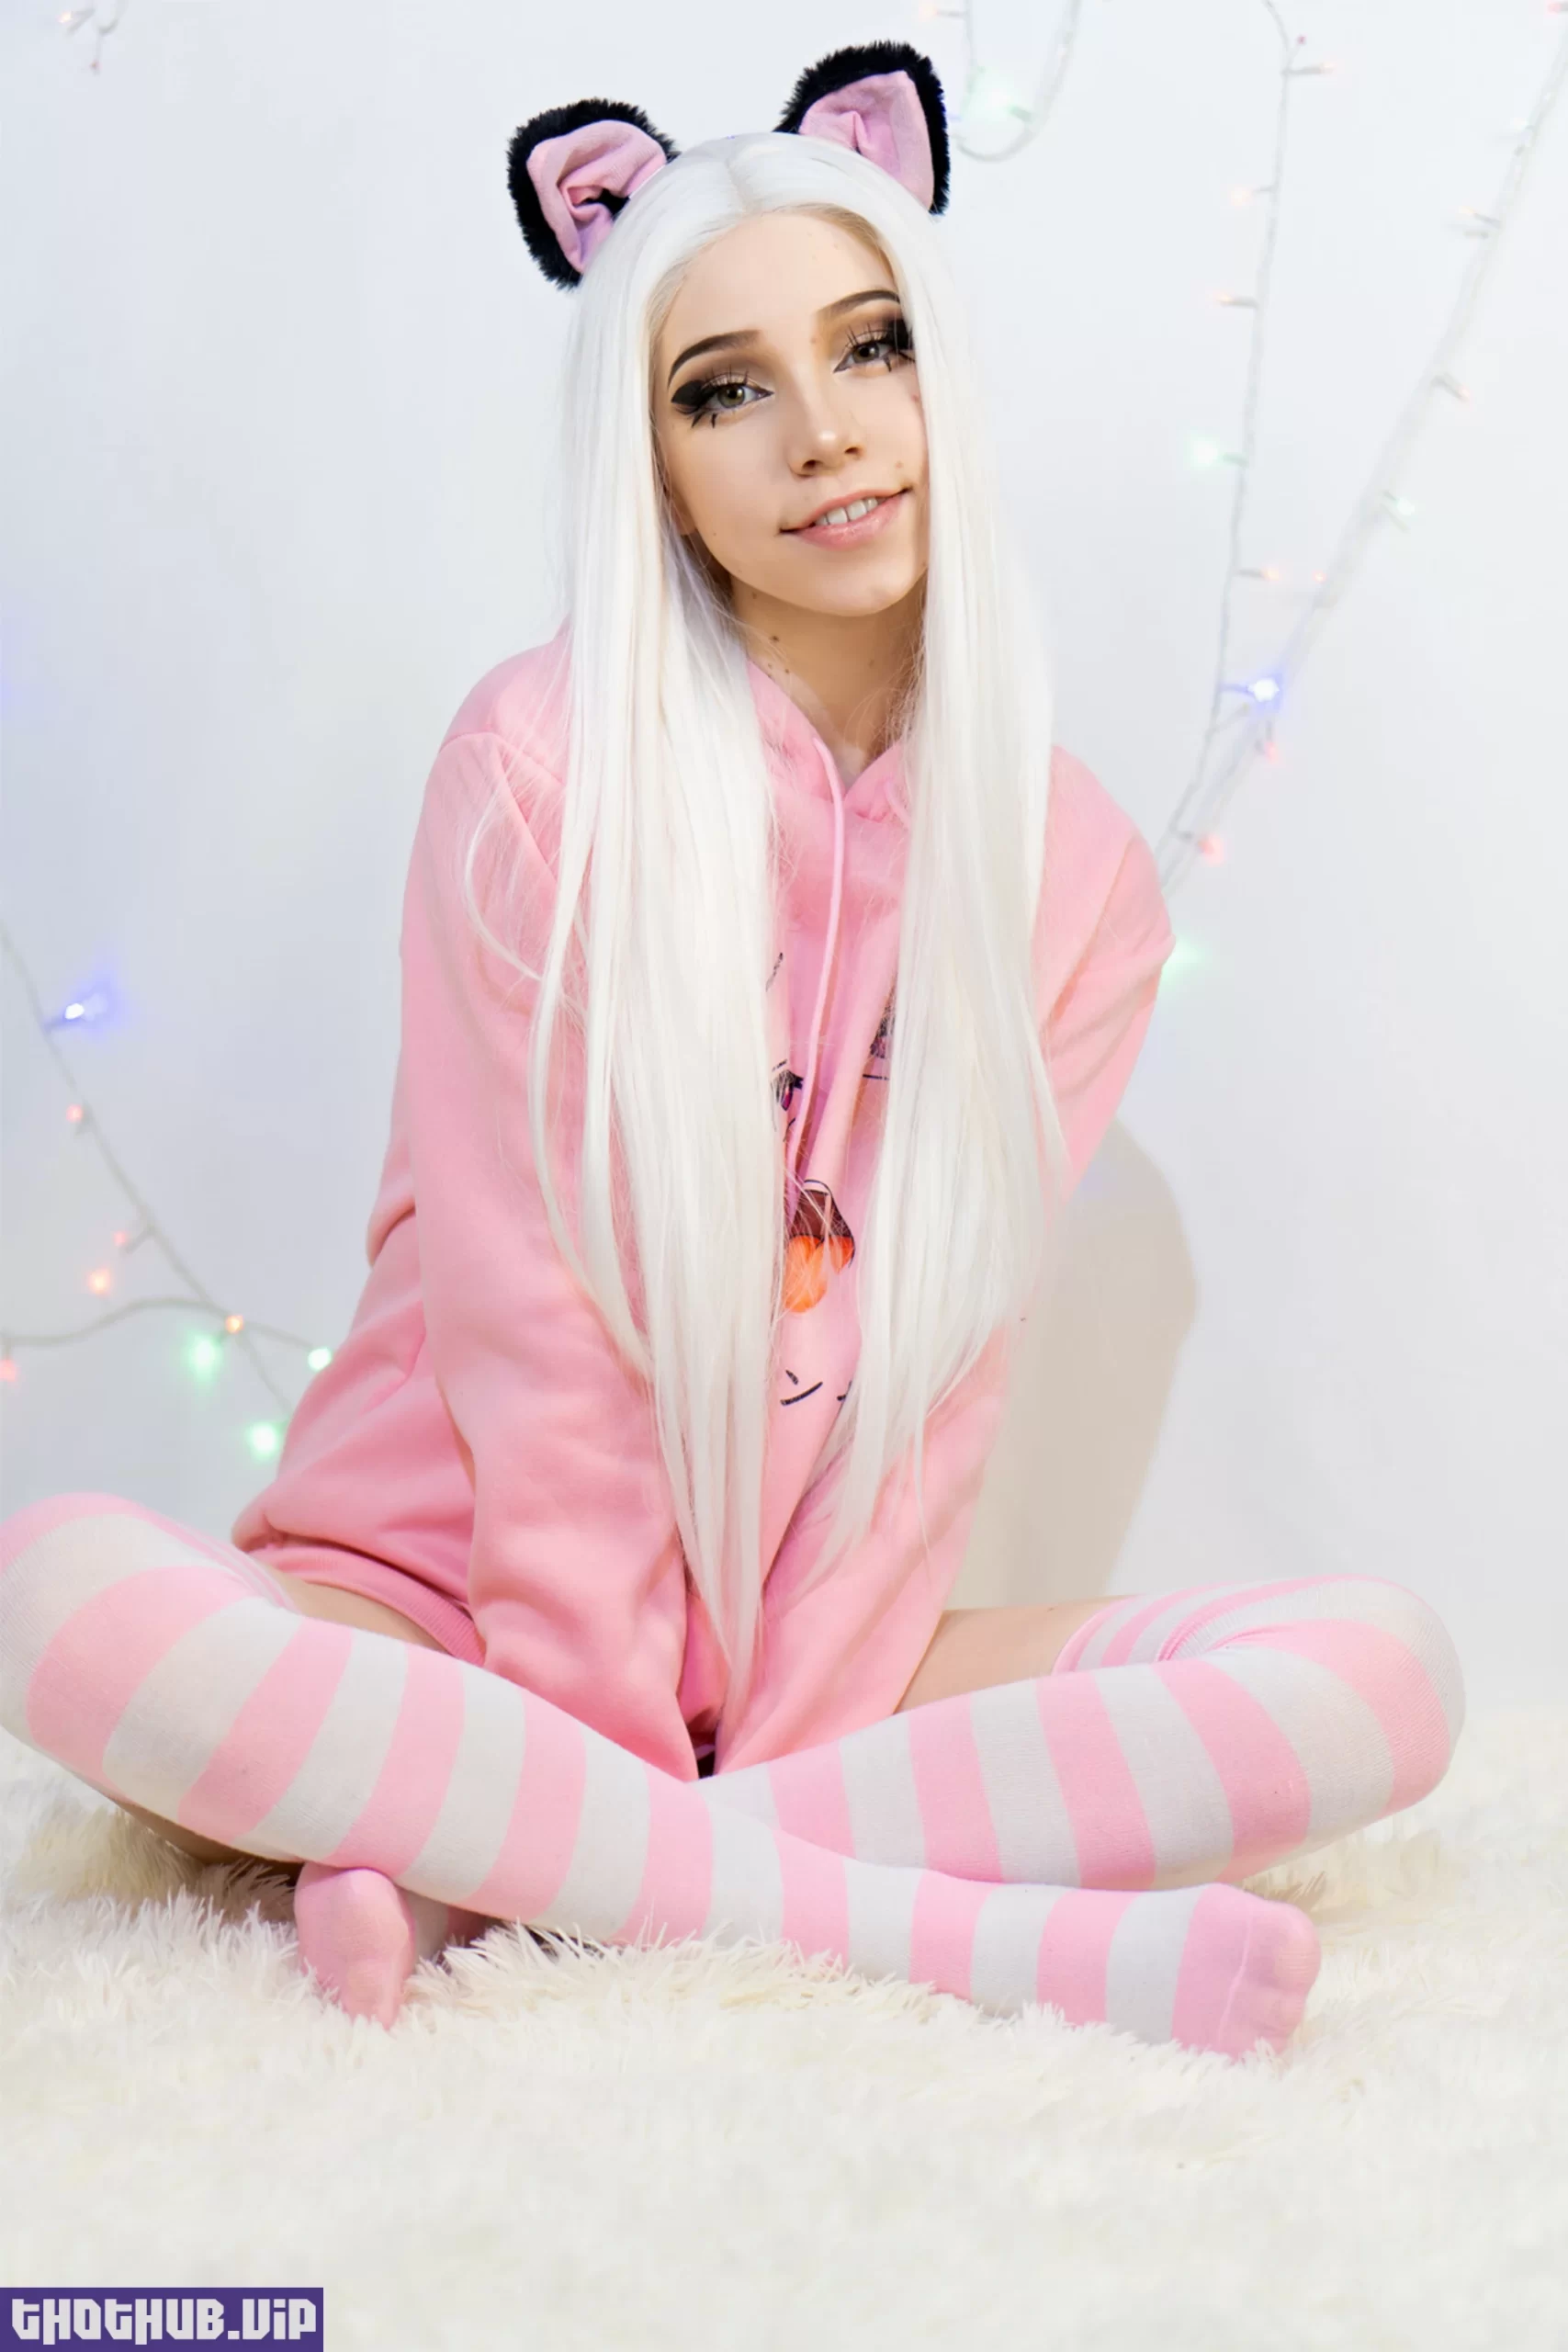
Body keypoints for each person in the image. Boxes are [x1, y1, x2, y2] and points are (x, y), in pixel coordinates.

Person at [0, 41, 1464, 2057]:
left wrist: (747, 1747)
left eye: (870, 348)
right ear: (658, 467)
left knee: (1381, 1676)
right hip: (431, 1611)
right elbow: (539, 1330)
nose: (823, 430)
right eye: (724, 389)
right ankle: (951, 1933)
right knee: (62, 1595)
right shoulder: (541, 773)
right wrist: (584, 1729)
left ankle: (501, 1862)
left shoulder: (1075, 881)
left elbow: (924, 1410)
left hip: (809, 1681)